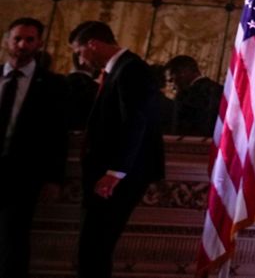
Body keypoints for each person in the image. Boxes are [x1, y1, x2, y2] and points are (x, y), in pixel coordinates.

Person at [70, 20, 165, 278]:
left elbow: (136, 122)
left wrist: (116, 172)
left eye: (80, 52)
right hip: (109, 175)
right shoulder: (120, 69)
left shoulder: (131, 69)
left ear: (93, 44)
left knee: (95, 247)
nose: (80, 60)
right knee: (92, 247)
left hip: (116, 178)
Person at [0, 17, 69, 277]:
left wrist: (54, 178)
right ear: (7, 40)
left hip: (22, 172)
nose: (22, 45)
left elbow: (57, 134)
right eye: (17, 38)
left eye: (29, 40)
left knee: (13, 238)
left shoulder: (52, 84)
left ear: (39, 43)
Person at [164, 55, 221, 137]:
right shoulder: (219, 90)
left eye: (171, 80)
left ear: (182, 73)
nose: (172, 86)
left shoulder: (184, 96)